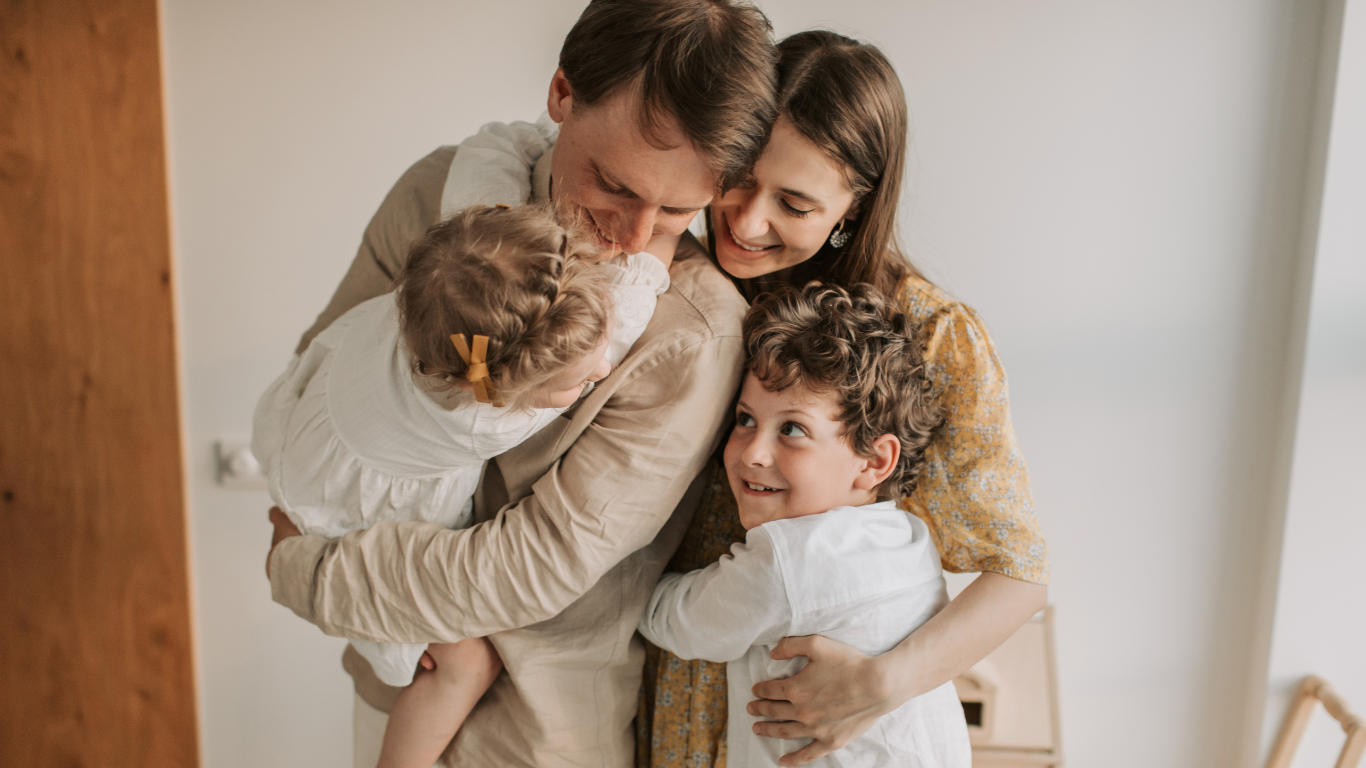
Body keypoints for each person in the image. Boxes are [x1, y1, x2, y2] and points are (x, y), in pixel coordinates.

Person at [264, 1, 778, 766]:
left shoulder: (695, 335)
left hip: (535, 736)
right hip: (388, 686)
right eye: (614, 185)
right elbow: (327, 373)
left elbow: (536, 563)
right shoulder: (435, 193)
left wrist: (305, 570)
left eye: (678, 209)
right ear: (562, 93)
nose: (634, 238)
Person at [641, 31, 1049, 767]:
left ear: (853, 208)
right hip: (660, 697)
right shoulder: (670, 278)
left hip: (805, 723)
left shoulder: (930, 337)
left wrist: (879, 685)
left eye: (794, 204)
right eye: (739, 176)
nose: (746, 219)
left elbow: (1017, 575)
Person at [253, 203, 672, 768]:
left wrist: (514, 144)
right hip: (345, 507)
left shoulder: (451, 276)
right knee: (466, 664)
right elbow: (631, 305)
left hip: (308, 446)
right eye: (573, 384)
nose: (601, 368)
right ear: (501, 390)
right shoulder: (483, 416)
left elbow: (485, 167)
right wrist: (668, 230)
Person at [639, 282, 970, 768]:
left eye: (792, 429)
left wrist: (631, 565)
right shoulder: (908, 539)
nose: (753, 451)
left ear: (874, 461)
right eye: (746, 419)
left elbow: (677, 622)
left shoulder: (790, 558)